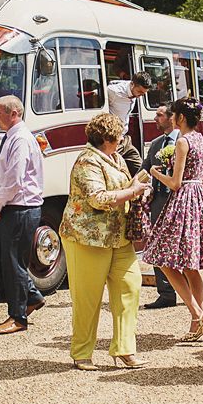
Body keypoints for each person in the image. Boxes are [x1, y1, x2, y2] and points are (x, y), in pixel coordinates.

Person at [59, 113, 152, 369]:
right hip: (87, 238)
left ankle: (124, 349)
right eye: (119, 135)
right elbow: (98, 198)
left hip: (118, 237)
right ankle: (81, 353)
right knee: (87, 298)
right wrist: (132, 191)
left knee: (130, 287)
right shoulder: (87, 160)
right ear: (107, 138)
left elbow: (121, 187)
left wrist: (140, 186)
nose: (123, 138)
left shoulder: (115, 157)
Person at [144, 97, 203, 341]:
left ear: (180, 118)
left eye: (173, 116)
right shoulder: (201, 140)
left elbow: (175, 183)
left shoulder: (182, 142)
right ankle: (197, 322)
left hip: (183, 201)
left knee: (163, 258)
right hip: (200, 199)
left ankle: (199, 315)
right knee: (191, 266)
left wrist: (157, 173)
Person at [0, 96, 46, 335]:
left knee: (13, 262)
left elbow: (13, 180)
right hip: (17, 207)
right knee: (10, 260)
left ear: (13, 113)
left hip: (19, 208)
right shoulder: (14, 137)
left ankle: (18, 316)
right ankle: (33, 297)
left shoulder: (20, 139)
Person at [140, 104, 180, 309]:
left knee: (182, 246)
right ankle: (166, 294)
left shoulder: (184, 140)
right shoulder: (155, 144)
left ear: (172, 117)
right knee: (157, 245)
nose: (155, 118)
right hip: (158, 202)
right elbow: (144, 169)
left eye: (159, 114)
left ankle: (189, 290)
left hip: (179, 201)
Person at [107, 71, 152, 176]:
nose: (140, 95)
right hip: (112, 140)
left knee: (142, 171)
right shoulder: (114, 91)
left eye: (143, 94)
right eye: (139, 92)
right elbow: (97, 96)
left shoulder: (135, 91)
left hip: (125, 139)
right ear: (132, 84)